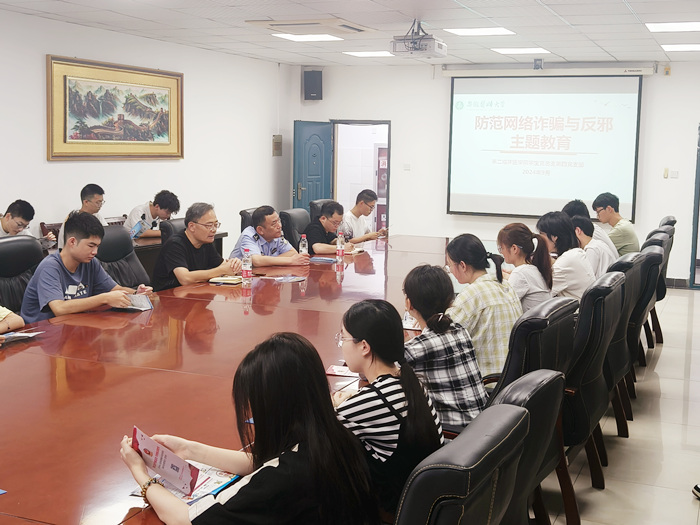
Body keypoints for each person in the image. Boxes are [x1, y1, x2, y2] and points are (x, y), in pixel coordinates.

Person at [120, 332, 379, 525]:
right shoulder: (335, 436)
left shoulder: (283, 478)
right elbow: (262, 462)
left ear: (273, 406)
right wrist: (188, 449)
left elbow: (185, 518)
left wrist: (140, 474)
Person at [333, 299, 444, 514]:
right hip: (425, 499)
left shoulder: (370, 403)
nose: (341, 344)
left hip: (395, 508)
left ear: (364, 346)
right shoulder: (410, 381)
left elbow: (317, 438)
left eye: (343, 338)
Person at [21, 212, 152, 324]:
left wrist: (136, 294)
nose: (95, 252)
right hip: (43, 333)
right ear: (72, 242)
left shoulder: (90, 262)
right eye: (91, 246)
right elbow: (59, 309)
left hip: (74, 325)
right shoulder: (50, 267)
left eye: (97, 246)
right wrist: (105, 298)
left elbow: (114, 289)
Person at [403, 265, 488, 426]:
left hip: (455, 435)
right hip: (481, 428)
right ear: (450, 301)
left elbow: (375, 371)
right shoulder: (460, 330)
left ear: (409, 304)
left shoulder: (418, 348)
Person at [445, 234, 523, 377]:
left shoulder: (472, 294)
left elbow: (443, 339)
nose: (450, 270)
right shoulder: (505, 285)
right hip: (513, 378)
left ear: (462, 265)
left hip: (487, 382)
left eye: (449, 265)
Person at [153, 203, 242, 292]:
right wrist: (221, 271)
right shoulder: (175, 244)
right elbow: (185, 279)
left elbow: (223, 266)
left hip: (196, 291)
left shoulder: (205, 241)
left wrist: (234, 265)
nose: (214, 230)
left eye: (215, 224)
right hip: (170, 295)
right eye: (209, 225)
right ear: (192, 226)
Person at [536, 211, 596, 300]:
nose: (539, 239)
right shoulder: (576, 253)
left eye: (541, 234)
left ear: (554, 237)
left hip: (576, 308)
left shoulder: (565, 262)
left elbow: (542, 292)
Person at [496, 223, 553, 312]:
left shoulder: (520, 273)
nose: (501, 252)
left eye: (501, 248)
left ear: (514, 249)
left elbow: (503, 308)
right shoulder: (532, 269)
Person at [230, 206, 309, 266]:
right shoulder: (248, 235)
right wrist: (291, 261)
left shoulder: (276, 235)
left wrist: (268, 261)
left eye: (279, 221)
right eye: (274, 224)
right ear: (260, 230)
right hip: (241, 278)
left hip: (265, 275)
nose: (279, 226)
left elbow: (292, 252)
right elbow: (256, 261)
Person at [58, 183, 108, 249]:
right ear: (86, 202)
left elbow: (107, 234)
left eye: (101, 202)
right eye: (98, 202)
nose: (100, 205)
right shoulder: (73, 219)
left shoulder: (97, 215)